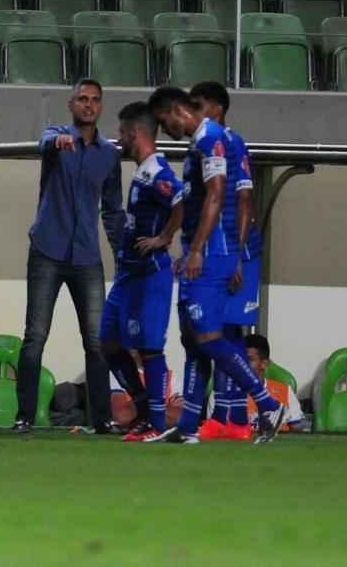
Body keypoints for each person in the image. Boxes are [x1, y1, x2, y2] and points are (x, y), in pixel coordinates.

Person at [148, 86, 286, 445]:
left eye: (163, 121)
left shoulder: (212, 139)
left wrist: (199, 250)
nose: (165, 130)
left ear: (176, 111)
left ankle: (267, 404)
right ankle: (188, 426)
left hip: (213, 253)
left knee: (210, 336)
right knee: (193, 338)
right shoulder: (201, 142)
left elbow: (218, 194)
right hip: (203, 251)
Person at [14, 79, 124, 435]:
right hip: (47, 250)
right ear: (71, 104)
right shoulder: (55, 137)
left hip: (87, 256)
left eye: (95, 100)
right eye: (82, 99)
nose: (88, 105)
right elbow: (44, 143)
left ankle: (102, 419)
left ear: (101, 106)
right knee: (35, 336)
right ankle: (24, 417)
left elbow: (113, 210)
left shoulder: (109, 154)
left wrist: (121, 254)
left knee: (97, 340)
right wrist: (57, 143)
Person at [98, 102, 183, 443]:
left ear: (135, 133)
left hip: (150, 273)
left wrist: (164, 237)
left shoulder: (158, 172)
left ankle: (156, 423)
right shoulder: (143, 171)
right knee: (108, 341)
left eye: (121, 133)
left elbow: (181, 201)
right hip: (128, 273)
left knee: (149, 348)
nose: (119, 139)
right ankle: (144, 406)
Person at [189, 81, 263, 441]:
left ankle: (235, 418)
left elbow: (245, 198)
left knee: (225, 333)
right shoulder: (205, 142)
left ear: (217, 107)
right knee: (219, 332)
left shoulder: (230, 141)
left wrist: (237, 254)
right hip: (222, 250)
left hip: (235, 251)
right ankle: (230, 418)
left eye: (198, 105)